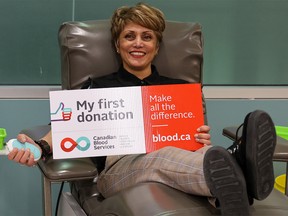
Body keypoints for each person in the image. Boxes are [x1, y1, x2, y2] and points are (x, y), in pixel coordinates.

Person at [8, 3, 276, 216]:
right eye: (129, 36)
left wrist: (199, 139)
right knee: (163, 157)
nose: (138, 43)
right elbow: (67, 128)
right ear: (117, 44)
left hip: (182, 157)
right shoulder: (99, 88)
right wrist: (40, 147)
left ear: (156, 46)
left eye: (147, 37)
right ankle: (240, 167)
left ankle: (231, 183)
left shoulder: (179, 89)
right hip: (119, 169)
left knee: (204, 151)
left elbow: (193, 140)